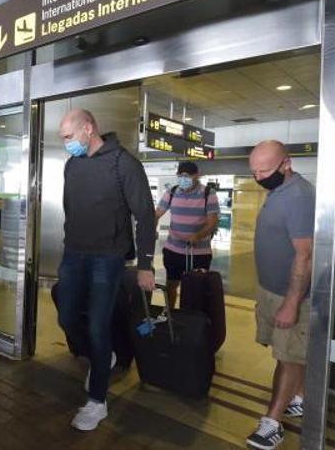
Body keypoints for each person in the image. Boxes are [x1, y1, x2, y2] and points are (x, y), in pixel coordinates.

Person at [55, 109, 156, 431]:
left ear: (88, 128)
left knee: (98, 326)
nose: (66, 144)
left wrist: (145, 265)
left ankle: (97, 402)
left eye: (68, 137)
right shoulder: (73, 164)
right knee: (67, 317)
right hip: (74, 254)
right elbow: (71, 208)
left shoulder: (124, 163)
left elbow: (146, 215)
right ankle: (103, 357)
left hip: (107, 258)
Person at [245, 140, 315, 450]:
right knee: (290, 352)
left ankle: (273, 423)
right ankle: (298, 398)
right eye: (254, 171)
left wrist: (291, 303)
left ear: (286, 163)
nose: (259, 177)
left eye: (265, 170)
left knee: (288, 357)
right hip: (272, 290)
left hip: (292, 294)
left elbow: (306, 255)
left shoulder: (299, 196)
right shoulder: (278, 189)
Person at [154, 161, 220, 307]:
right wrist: (152, 226)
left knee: (195, 287)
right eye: (180, 175)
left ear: (197, 175)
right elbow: (157, 213)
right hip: (173, 250)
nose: (183, 179)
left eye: (188, 176)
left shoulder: (208, 193)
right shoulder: (171, 192)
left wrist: (198, 235)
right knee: (171, 284)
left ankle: (193, 319)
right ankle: (169, 313)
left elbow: (212, 222)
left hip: (199, 253)